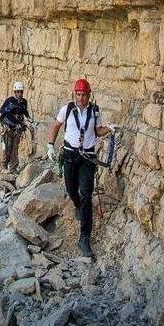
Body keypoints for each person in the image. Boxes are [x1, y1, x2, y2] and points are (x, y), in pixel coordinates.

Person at [46, 78, 116, 259]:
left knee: (86, 193)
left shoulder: (94, 111)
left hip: (87, 157)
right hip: (70, 154)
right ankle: (76, 204)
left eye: (84, 94)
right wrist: (50, 145)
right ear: (74, 94)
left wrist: (109, 129)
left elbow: (98, 130)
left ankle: (84, 238)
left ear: (89, 95)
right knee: (71, 189)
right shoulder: (67, 109)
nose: (81, 98)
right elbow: (56, 125)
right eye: (78, 94)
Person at [0, 81, 30, 172]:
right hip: (8, 126)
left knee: (15, 147)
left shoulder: (24, 102)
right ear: (15, 92)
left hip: (18, 127)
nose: (20, 94)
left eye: (21, 92)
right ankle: (4, 166)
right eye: (18, 92)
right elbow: (2, 111)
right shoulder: (10, 100)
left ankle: (13, 167)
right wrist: (9, 108)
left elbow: (25, 112)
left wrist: (28, 120)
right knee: (8, 146)